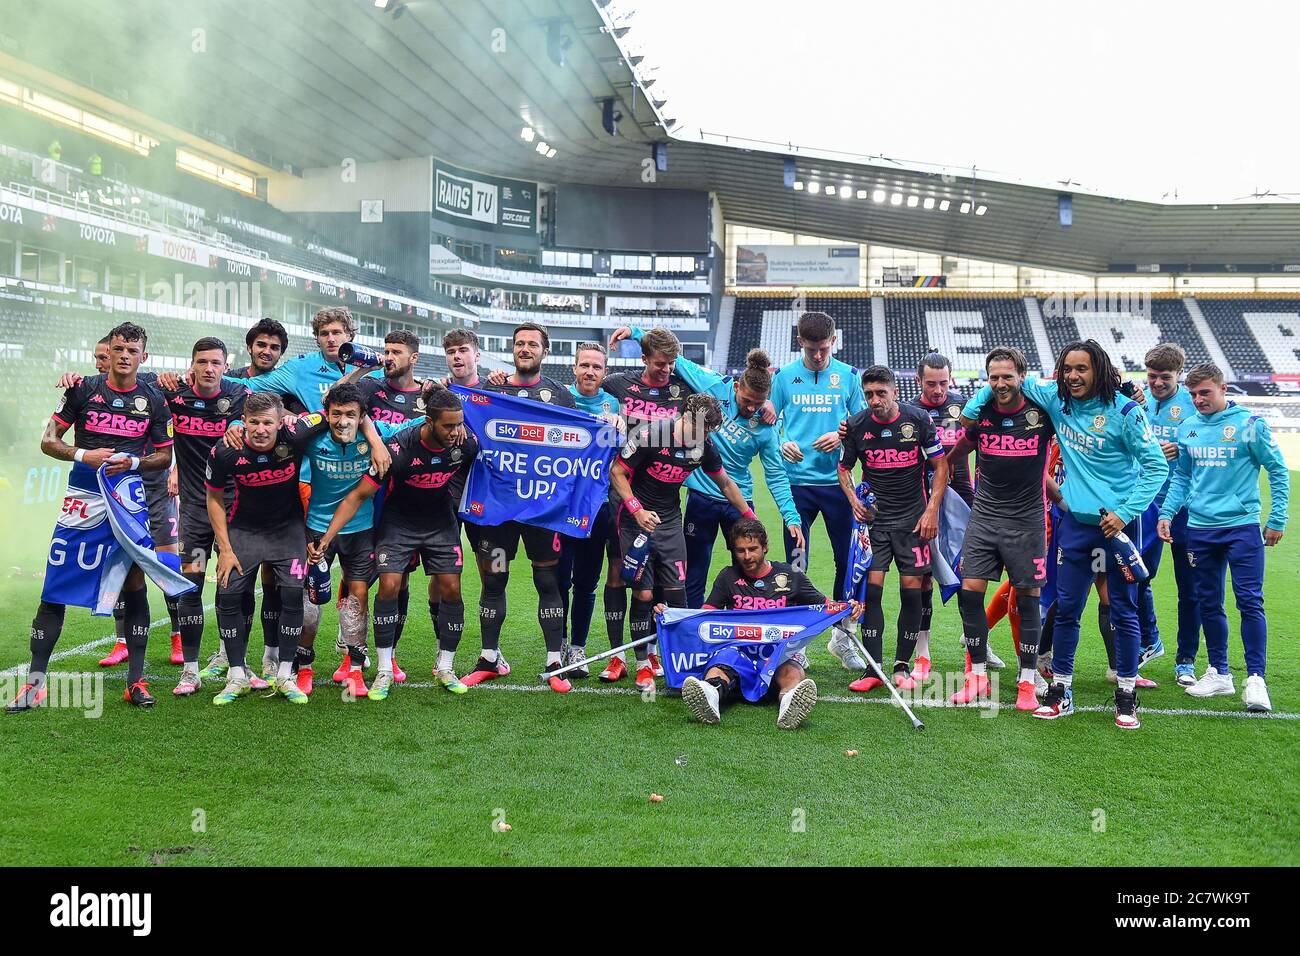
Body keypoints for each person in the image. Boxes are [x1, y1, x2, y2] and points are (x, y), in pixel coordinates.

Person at [960, 339, 1167, 730]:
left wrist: (1124, 514)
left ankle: (1126, 696)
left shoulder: (1125, 411)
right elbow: (996, 390)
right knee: (1068, 610)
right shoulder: (1057, 399)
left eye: (1082, 369)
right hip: (1075, 526)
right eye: (1067, 369)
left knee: (1122, 611)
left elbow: (1155, 467)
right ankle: (1061, 692)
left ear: (1099, 370)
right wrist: (990, 385)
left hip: (1115, 526)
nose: (1073, 376)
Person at [9, 322, 174, 712]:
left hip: (127, 498)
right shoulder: (82, 390)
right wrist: (84, 455)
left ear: (143, 357)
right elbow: (49, 441)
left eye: (132, 351)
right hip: (82, 497)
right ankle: (35, 683)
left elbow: (164, 456)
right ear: (108, 352)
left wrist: (133, 460)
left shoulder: (154, 399)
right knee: (55, 585)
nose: (124, 356)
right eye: (118, 348)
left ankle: (135, 681)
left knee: (134, 584)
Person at [311, 384, 475, 699]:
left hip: (440, 522)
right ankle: (384, 669)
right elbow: (359, 495)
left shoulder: (467, 445)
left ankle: (446, 666)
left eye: (459, 424)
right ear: (429, 422)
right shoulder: (399, 450)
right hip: (399, 523)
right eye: (449, 426)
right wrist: (327, 537)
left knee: (452, 588)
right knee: (389, 586)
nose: (456, 432)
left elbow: (467, 474)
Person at [1159, 363, 1289, 712]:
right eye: (1193, 394)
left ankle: (1256, 680)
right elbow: (1182, 478)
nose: (1199, 399)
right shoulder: (1187, 428)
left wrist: (1277, 519)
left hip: (1242, 527)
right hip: (1199, 529)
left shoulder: (1249, 425)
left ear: (1223, 390)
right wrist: (1167, 513)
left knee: (1249, 601)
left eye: (1205, 392)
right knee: (1208, 602)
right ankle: (1219, 673)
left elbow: (1277, 470)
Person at [610, 393, 755, 690]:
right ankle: (642, 665)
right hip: (634, 516)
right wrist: (637, 509)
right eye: (697, 429)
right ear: (684, 417)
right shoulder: (651, 435)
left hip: (669, 519)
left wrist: (749, 515)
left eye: (706, 432)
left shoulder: (704, 445)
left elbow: (725, 482)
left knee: (678, 596)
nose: (700, 437)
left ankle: (679, 663)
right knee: (645, 594)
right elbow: (617, 472)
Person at [464, 323, 577, 692]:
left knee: (547, 579)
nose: (525, 348)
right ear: (512, 349)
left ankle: (554, 662)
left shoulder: (560, 395)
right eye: (519, 343)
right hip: (499, 511)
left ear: (545, 351)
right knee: (494, 578)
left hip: (542, 511)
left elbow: (577, 445)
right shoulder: (491, 390)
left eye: (532, 344)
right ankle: (489, 657)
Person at [943, 347, 1054, 709]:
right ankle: (976, 676)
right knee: (970, 592)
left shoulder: (1042, 414)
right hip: (985, 517)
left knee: (1027, 599)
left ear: (1022, 376)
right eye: (994, 377)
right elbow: (958, 449)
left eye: (1008, 376)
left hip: (1027, 520)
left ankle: (1026, 682)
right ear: (986, 380)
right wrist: (936, 472)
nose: (1001, 384)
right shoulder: (982, 414)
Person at [675, 518, 862, 729]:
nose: (747, 557)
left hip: (778, 652)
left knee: (791, 669)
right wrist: (672, 615)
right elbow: (705, 616)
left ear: (765, 547)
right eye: (740, 551)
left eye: (753, 549)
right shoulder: (728, 576)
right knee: (721, 663)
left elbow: (826, 607)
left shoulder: (791, 576)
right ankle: (709, 696)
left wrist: (848, 608)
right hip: (739, 652)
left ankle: (790, 704)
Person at [69, 336, 182, 669]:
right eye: (100, 356)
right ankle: (121, 641)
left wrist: (175, 467)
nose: (101, 362)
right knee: (118, 564)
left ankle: (177, 636)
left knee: (166, 563)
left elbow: (175, 437)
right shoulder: (90, 390)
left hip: (155, 489)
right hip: (119, 493)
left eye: (105, 355)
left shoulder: (148, 386)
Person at [838, 366, 949, 692]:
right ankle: (873, 669)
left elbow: (940, 466)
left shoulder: (917, 421)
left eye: (880, 393)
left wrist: (932, 510)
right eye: (869, 394)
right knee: (871, 592)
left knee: (911, 590)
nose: (874, 400)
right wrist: (851, 497)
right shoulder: (857, 426)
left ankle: (902, 666)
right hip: (876, 523)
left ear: (895, 392)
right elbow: (843, 469)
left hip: (914, 522)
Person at [154, 338, 252, 696]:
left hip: (236, 510)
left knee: (237, 589)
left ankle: (236, 663)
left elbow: (278, 419)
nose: (209, 368)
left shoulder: (241, 396)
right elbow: (127, 379)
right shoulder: (173, 395)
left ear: (226, 366)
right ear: (191, 365)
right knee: (190, 586)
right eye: (202, 362)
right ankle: (191, 671)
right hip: (195, 512)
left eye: (215, 362)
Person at [204, 393, 313, 705]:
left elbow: (332, 411)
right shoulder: (226, 449)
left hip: (288, 530)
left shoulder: (296, 434)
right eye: (254, 422)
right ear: (243, 422)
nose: (261, 429)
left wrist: (373, 439)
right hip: (244, 530)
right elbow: (213, 499)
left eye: (268, 422)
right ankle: (236, 675)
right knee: (228, 594)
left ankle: (285, 676)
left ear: (280, 423)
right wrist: (224, 549)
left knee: (292, 594)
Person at [345, 329, 429, 684]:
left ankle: (389, 656)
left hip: (402, 501)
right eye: (386, 350)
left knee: (398, 580)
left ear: (414, 358)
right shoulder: (370, 389)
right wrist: (363, 369)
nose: (388, 356)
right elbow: (337, 400)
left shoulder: (426, 397)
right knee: (356, 578)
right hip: (366, 495)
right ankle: (352, 654)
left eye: (396, 352)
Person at [770, 311, 866, 600]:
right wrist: (782, 442)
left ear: (833, 340)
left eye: (824, 348)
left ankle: (841, 628)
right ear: (799, 341)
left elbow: (863, 423)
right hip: (797, 486)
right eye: (811, 349)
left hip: (838, 485)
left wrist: (841, 435)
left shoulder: (848, 377)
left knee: (845, 560)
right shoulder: (784, 377)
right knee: (797, 563)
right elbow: (769, 422)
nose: (818, 355)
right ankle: (797, 636)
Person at [912, 352, 987, 676]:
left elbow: (984, 448)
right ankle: (922, 653)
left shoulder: (964, 408)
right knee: (923, 577)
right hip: (923, 502)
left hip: (962, 496)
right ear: (919, 381)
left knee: (972, 577)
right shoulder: (910, 412)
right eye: (931, 384)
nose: (938, 390)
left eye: (943, 383)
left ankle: (978, 649)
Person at [554, 342, 623, 676]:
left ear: (604, 372)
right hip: (559, 505)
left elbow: (624, 454)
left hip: (598, 507)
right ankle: (559, 646)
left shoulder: (614, 406)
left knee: (586, 581)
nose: (590, 372)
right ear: (574, 368)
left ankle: (577, 649)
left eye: (597, 367)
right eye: (585, 365)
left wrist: (620, 427)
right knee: (557, 579)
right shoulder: (558, 398)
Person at [1141, 343, 1201, 685]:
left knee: (1189, 588)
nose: (1158, 383)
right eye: (1152, 376)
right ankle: (1151, 640)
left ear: (1179, 374)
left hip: (1182, 508)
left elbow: (1216, 426)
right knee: (1137, 577)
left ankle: (1186, 661)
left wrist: (1184, 446)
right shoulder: (1142, 402)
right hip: (1145, 505)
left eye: (1165, 377)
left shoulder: (1192, 404)